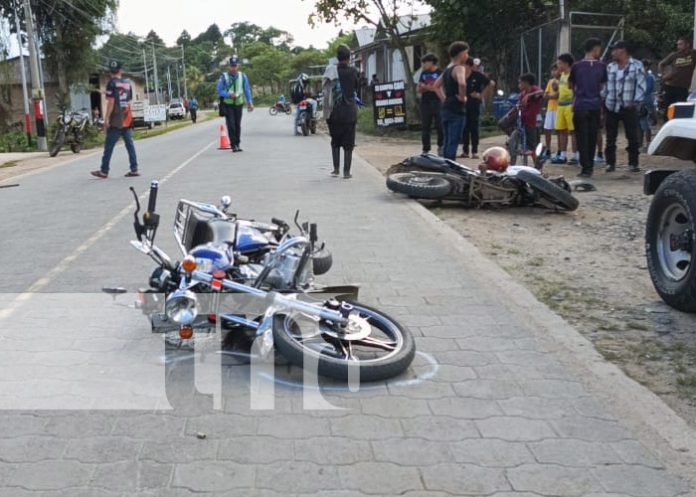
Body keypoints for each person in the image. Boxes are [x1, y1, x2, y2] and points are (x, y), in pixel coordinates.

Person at [602, 41, 646, 173]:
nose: (612, 53)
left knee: (632, 136)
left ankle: (633, 163)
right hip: (612, 105)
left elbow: (641, 85)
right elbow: (606, 86)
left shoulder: (637, 66)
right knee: (610, 136)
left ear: (623, 50)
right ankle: (610, 163)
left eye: (614, 50)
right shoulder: (610, 67)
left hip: (629, 106)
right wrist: (603, 100)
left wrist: (636, 102)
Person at [91, 60, 139, 178]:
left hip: (116, 118)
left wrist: (106, 118)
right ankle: (134, 169)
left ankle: (104, 170)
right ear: (121, 71)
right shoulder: (128, 83)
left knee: (109, 146)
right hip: (126, 116)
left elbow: (111, 103)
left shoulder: (111, 83)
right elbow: (129, 101)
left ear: (111, 72)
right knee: (129, 144)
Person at [569, 38, 608, 178]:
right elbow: (603, 86)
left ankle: (585, 167)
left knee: (581, 137)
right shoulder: (602, 66)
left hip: (580, 105)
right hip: (595, 105)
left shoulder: (576, 66)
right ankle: (589, 166)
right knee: (592, 136)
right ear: (595, 49)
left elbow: (571, 85)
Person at [324, 45, 360, 178]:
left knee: (335, 141)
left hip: (334, 112)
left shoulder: (331, 72)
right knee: (349, 143)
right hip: (350, 112)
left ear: (337, 57)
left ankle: (336, 169)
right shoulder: (353, 71)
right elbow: (356, 87)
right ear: (349, 57)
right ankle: (346, 172)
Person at [435, 41, 469, 160]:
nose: (467, 56)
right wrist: (462, 97)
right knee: (453, 140)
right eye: (466, 53)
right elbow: (462, 83)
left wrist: (444, 99)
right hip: (456, 108)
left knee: (447, 139)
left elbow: (436, 85)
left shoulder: (447, 69)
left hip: (446, 107)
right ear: (461, 54)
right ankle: (450, 165)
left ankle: (444, 163)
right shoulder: (459, 68)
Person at [217, 56, 254, 152]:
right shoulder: (224, 77)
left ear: (238, 66)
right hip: (228, 104)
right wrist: (229, 95)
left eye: (235, 66)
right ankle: (233, 145)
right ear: (229, 66)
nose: (233, 68)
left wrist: (250, 102)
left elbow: (246, 90)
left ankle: (238, 143)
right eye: (232, 66)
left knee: (238, 125)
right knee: (231, 125)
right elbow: (220, 90)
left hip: (239, 103)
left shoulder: (243, 76)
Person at [461, 57, 495, 159]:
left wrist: (481, 95)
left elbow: (491, 83)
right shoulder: (460, 76)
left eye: (464, 65)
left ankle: (474, 151)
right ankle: (465, 151)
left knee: (474, 127)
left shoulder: (477, 75)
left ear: (469, 66)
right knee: (464, 127)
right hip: (463, 104)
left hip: (474, 104)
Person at [551, 53, 579, 165]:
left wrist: (574, 103)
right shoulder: (561, 75)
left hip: (570, 105)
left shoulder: (573, 75)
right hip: (561, 105)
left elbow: (576, 90)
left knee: (573, 131)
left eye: (559, 63)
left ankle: (576, 155)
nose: (558, 65)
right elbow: (561, 89)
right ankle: (562, 155)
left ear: (566, 63)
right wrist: (556, 87)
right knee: (561, 131)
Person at [658, 36, 696, 115]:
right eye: (678, 45)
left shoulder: (693, 54)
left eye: (681, 44)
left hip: (683, 88)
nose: (678, 46)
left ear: (687, 44)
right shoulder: (674, 55)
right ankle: (667, 125)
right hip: (670, 86)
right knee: (668, 109)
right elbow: (661, 64)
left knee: (681, 110)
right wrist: (664, 74)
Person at [418, 53, 443, 155]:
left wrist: (427, 87)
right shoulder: (423, 74)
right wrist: (426, 87)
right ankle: (426, 148)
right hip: (425, 102)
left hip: (438, 101)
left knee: (440, 125)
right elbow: (418, 89)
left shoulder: (440, 73)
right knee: (425, 126)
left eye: (425, 62)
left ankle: (441, 146)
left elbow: (439, 88)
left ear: (431, 62)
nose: (423, 65)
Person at [518, 73, 544, 151]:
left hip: (532, 120)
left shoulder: (534, 89)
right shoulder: (522, 94)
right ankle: (517, 140)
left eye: (520, 82)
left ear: (526, 83)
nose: (519, 85)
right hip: (523, 118)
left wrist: (529, 95)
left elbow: (541, 92)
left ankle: (538, 158)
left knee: (533, 144)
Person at [542, 64, 560, 159]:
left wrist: (550, 96)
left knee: (559, 131)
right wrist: (549, 96)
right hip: (550, 109)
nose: (553, 72)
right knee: (547, 129)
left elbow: (556, 95)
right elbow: (545, 95)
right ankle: (548, 149)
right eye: (552, 70)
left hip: (558, 109)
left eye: (555, 70)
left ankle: (560, 151)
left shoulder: (562, 81)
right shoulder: (550, 81)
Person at [640, 60, 657, 149]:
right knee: (641, 122)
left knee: (646, 123)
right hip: (641, 101)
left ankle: (648, 142)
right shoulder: (641, 76)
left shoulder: (649, 77)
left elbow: (648, 89)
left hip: (647, 101)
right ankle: (641, 143)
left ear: (646, 67)